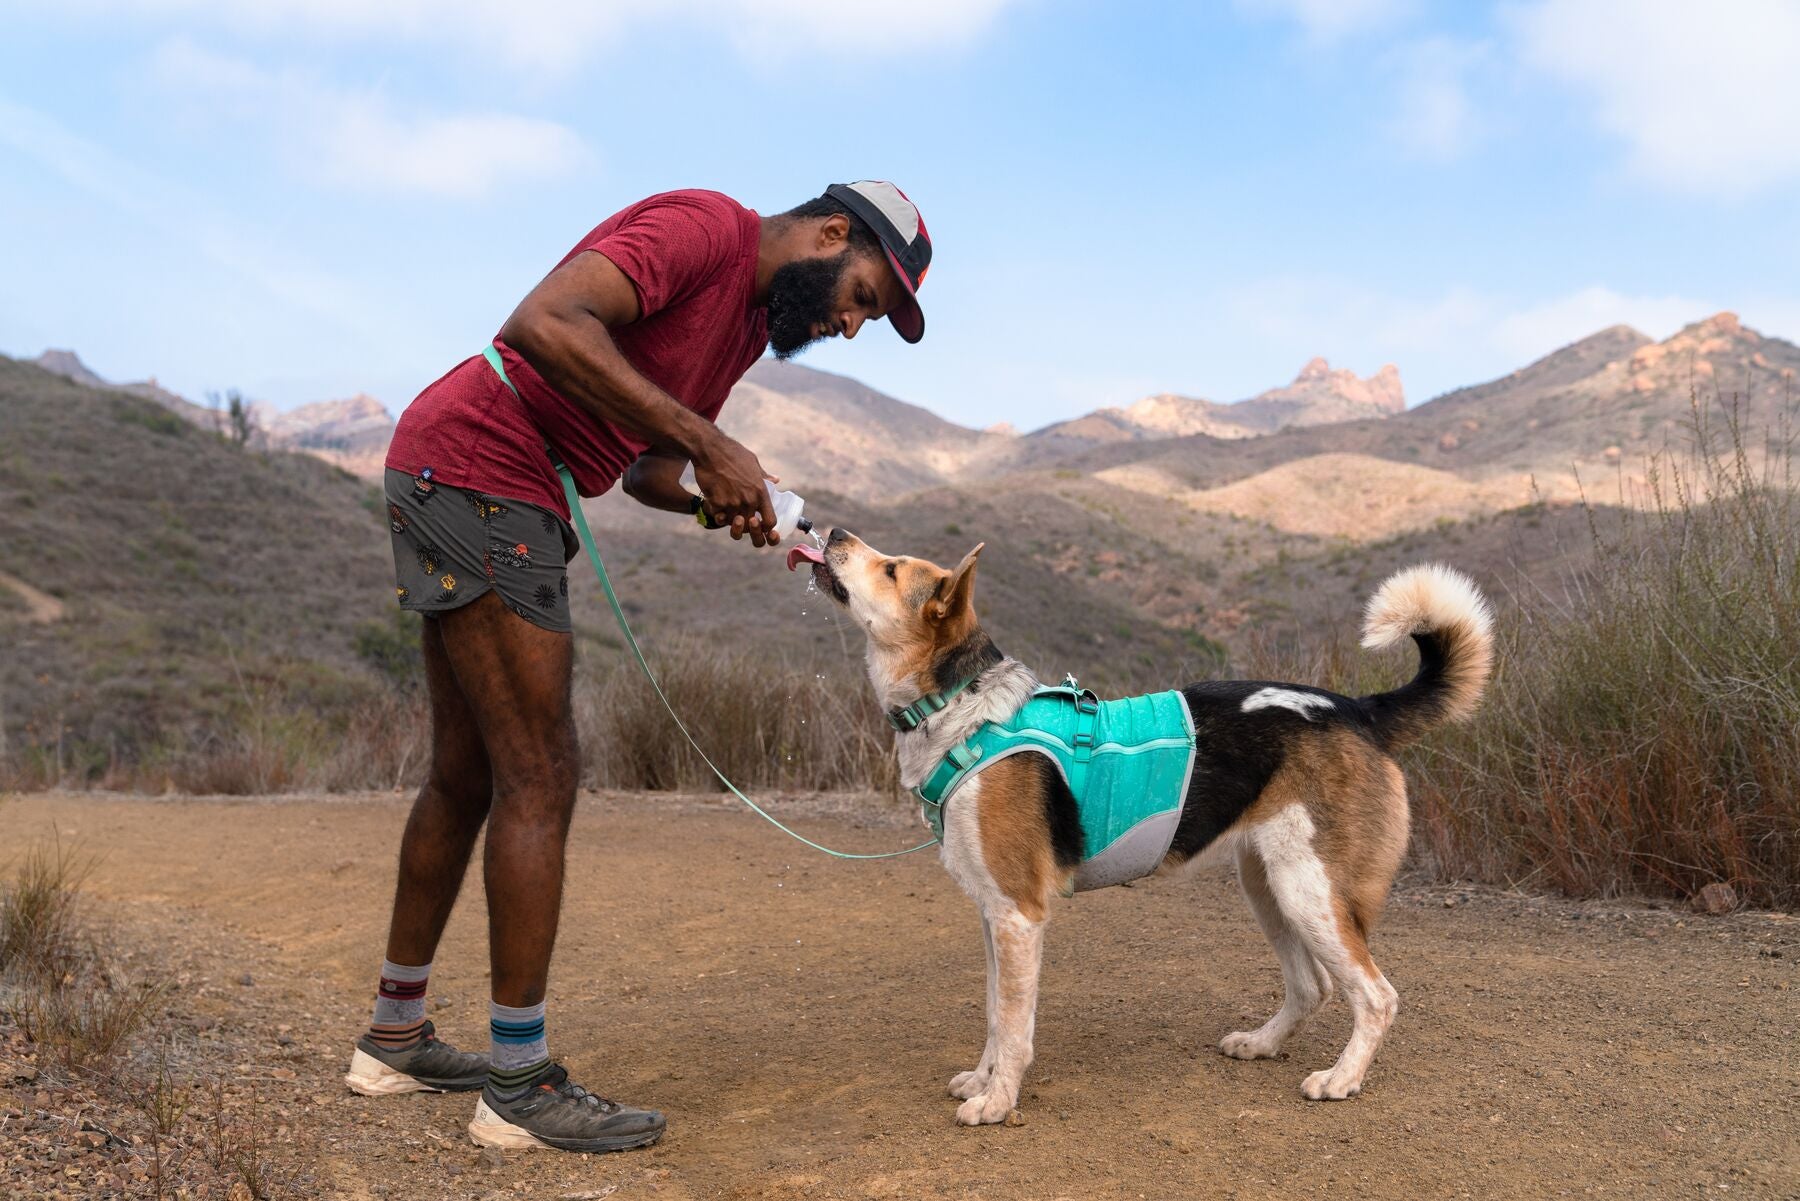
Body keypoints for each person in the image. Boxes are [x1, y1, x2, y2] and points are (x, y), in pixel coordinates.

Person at [341, 182, 932, 1153]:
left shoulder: (741, 328)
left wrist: (740, 501)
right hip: (486, 464)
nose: (854, 325)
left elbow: (650, 468)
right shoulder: (702, 226)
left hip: (464, 467)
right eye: (866, 296)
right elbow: (542, 323)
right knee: (542, 772)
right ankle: (517, 1084)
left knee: (467, 773)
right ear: (834, 235)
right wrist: (715, 445)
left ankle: (395, 1035)